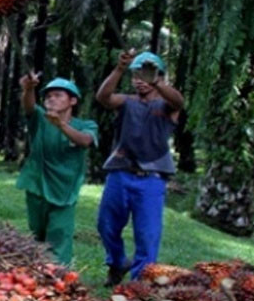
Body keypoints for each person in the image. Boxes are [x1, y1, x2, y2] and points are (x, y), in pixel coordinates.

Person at [95, 49, 185, 286]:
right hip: (121, 173)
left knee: (147, 235)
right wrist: (119, 68)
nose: (139, 80)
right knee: (106, 225)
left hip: (151, 180)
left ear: (159, 75)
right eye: (135, 75)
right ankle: (117, 262)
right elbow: (103, 98)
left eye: (144, 74)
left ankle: (139, 285)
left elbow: (179, 102)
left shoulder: (166, 105)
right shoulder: (127, 101)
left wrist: (157, 82)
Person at [15, 73, 98, 266]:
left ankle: (59, 278)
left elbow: (85, 141)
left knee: (59, 236)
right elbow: (28, 106)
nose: (51, 98)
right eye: (48, 96)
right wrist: (28, 89)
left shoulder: (86, 125)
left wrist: (60, 125)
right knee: (36, 235)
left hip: (64, 191)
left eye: (58, 95)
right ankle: (36, 273)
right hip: (36, 185)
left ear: (73, 101)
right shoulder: (39, 119)